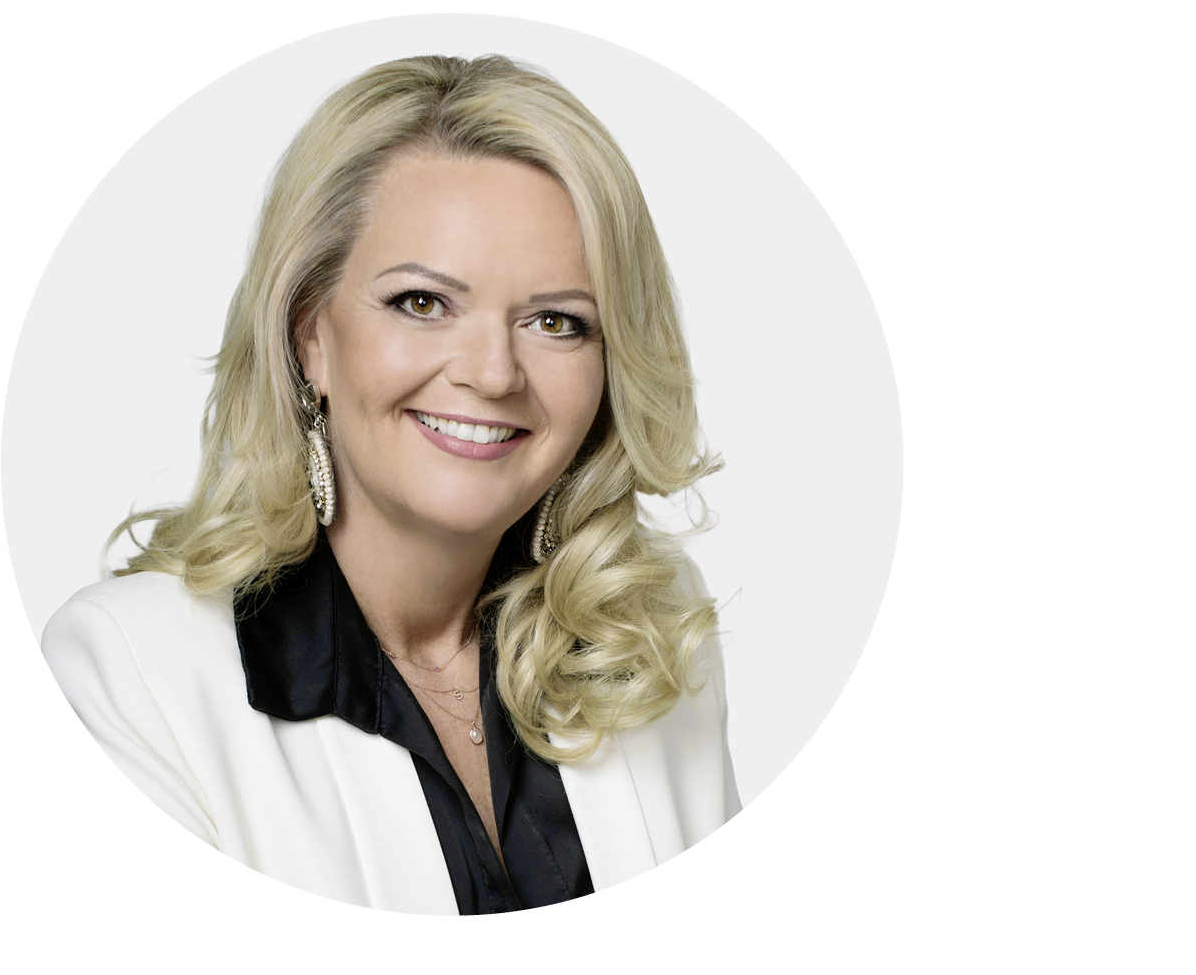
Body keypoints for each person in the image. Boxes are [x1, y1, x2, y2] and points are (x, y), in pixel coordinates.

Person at [42, 55, 738, 915]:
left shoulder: (653, 633)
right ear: (310, 336)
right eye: (423, 303)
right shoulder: (130, 673)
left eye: (556, 321)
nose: (493, 373)